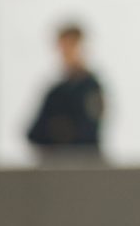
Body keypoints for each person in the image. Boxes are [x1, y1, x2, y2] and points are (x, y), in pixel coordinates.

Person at [26, 23, 104, 162]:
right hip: (56, 166)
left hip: (86, 166)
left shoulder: (91, 88)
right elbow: (34, 133)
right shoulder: (56, 92)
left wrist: (60, 130)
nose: (66, 54)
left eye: (71, 47)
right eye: (63, 48)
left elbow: (88, 132)